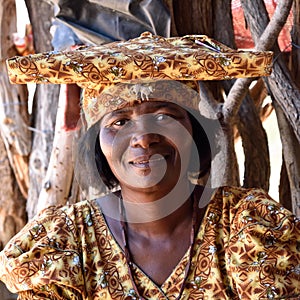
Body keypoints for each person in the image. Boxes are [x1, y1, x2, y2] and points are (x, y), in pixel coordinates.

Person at [1, 32, 299, 299]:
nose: (142, 138)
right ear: (97, 143)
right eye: (120, 122)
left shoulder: (245, 227)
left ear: (193, 130)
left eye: (164, 117)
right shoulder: (66, 241)